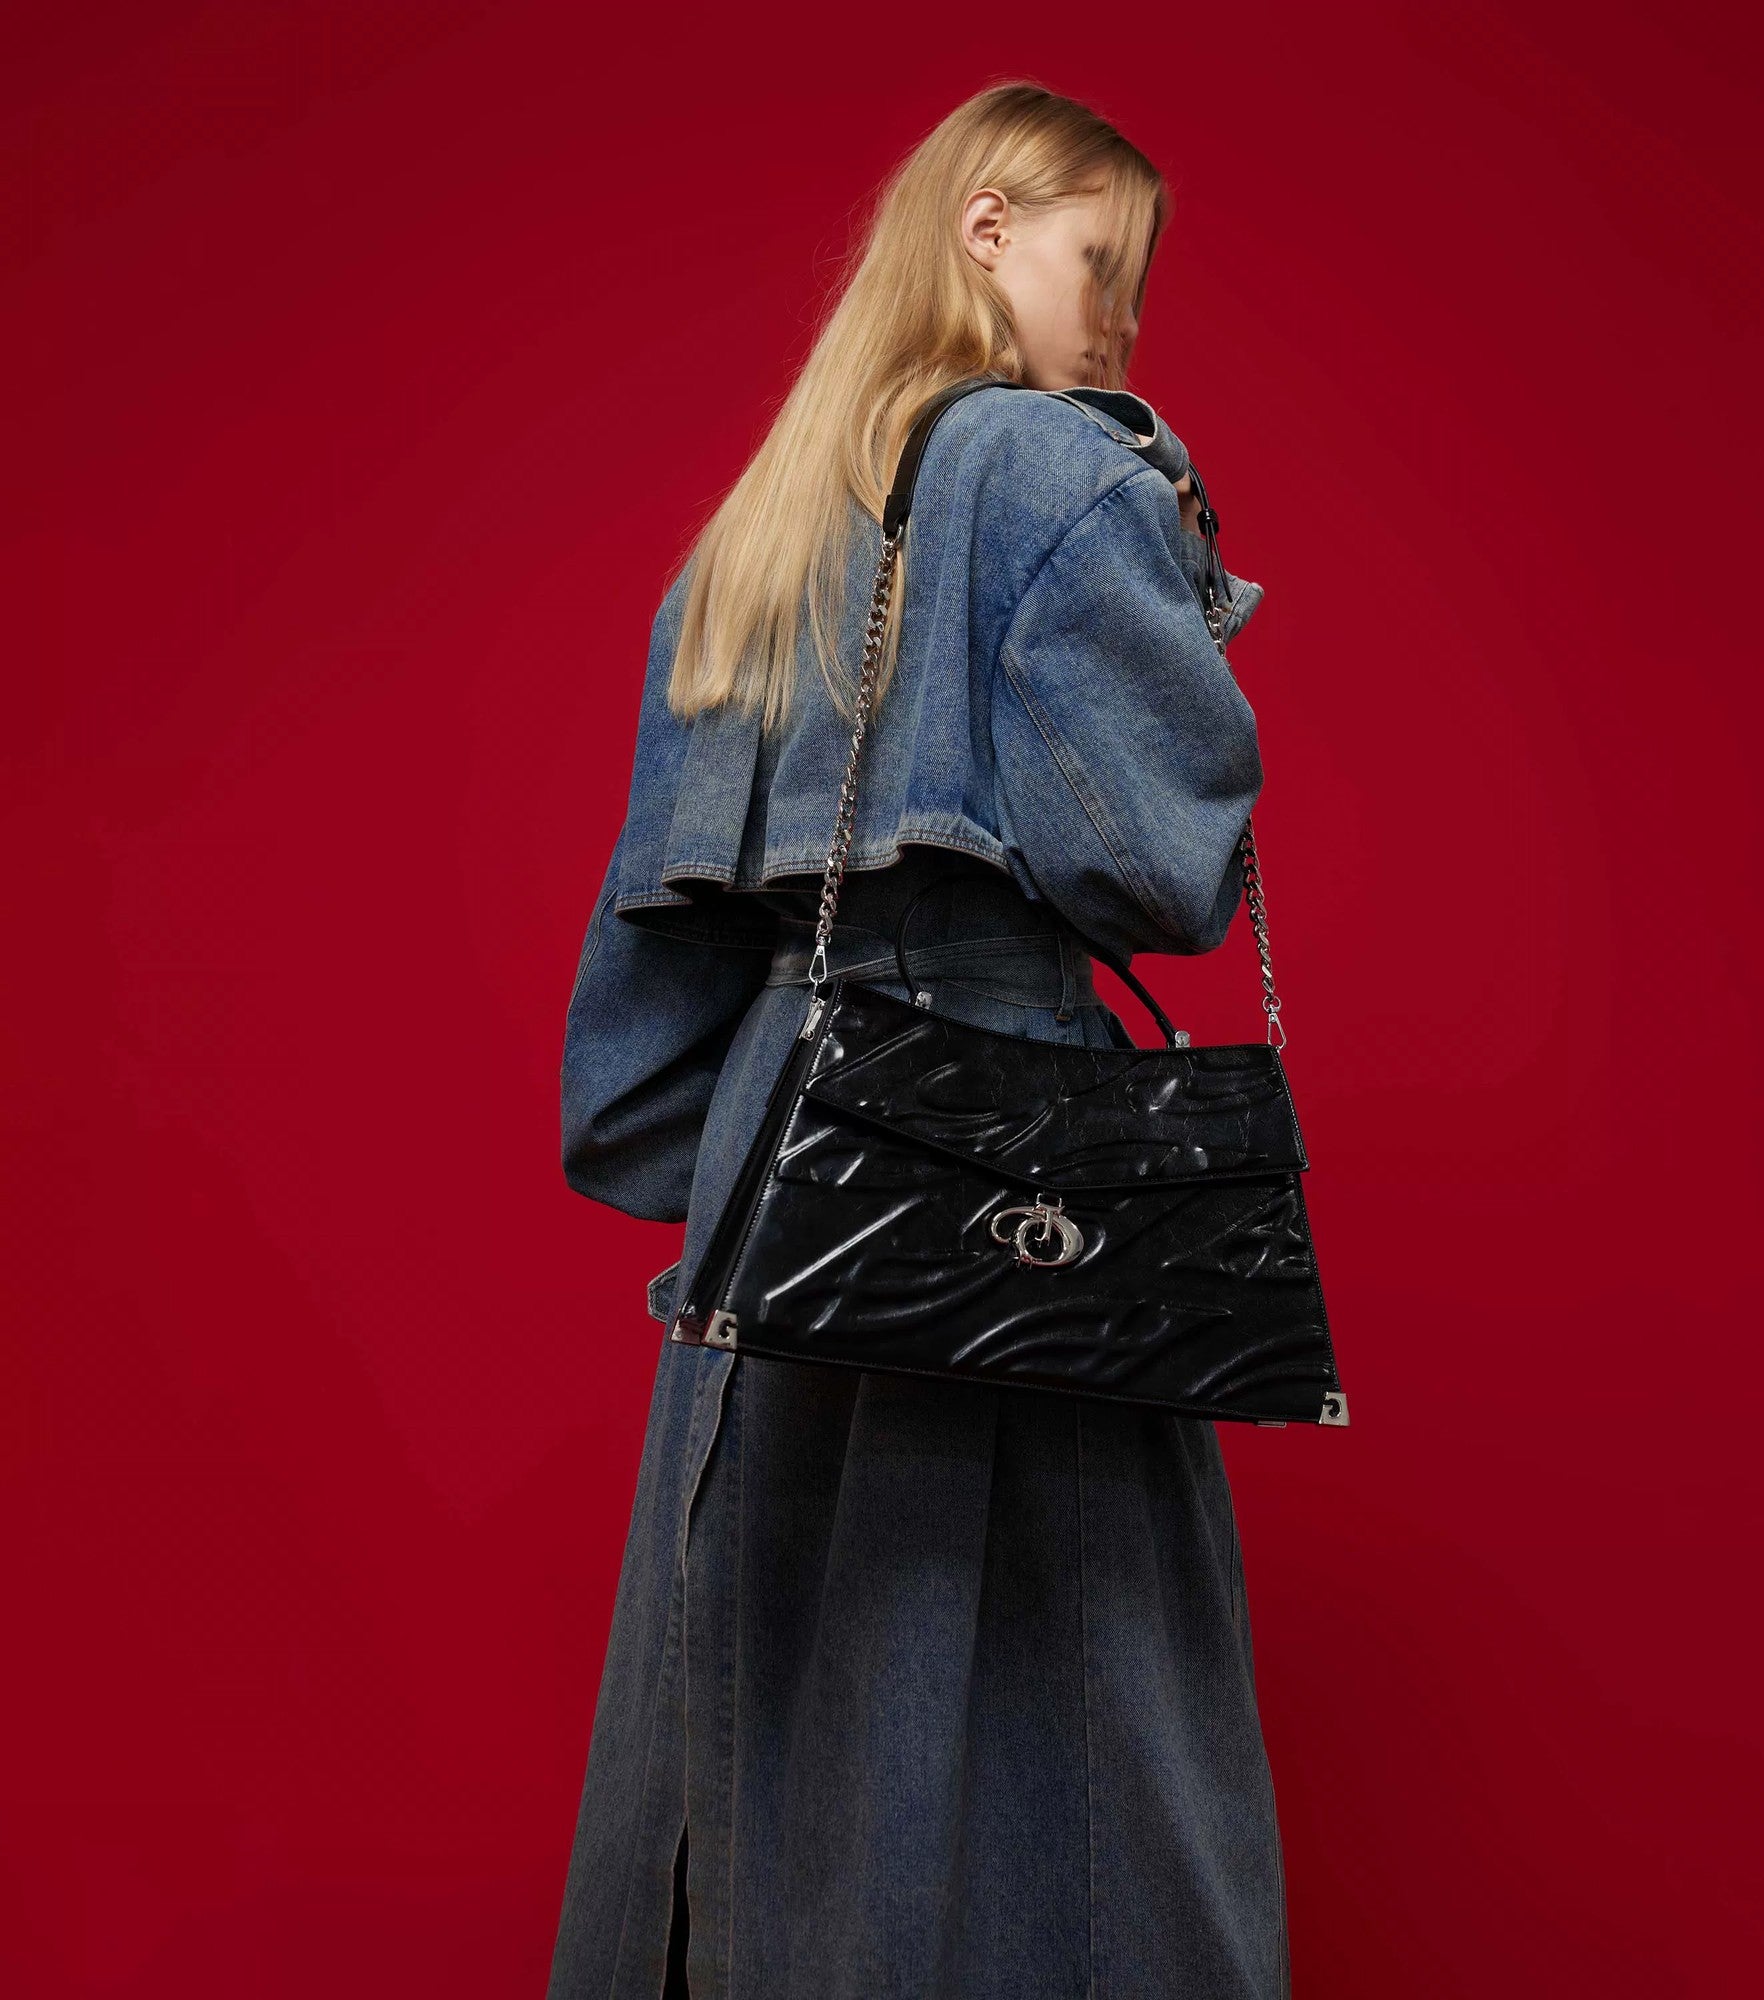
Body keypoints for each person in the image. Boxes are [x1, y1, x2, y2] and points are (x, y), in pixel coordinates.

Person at [545, 81, 1289, 2000]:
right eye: (1097, 263)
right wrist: (1169, 528)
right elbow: (1170, 858)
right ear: (987, 230)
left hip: (777, 1175)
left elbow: (629, 1084)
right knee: (1082, 1752)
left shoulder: (755, 535)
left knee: (762, 1739)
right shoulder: (1056, 469)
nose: (1117, 321)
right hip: (995, 1158)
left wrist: (769, 1143)